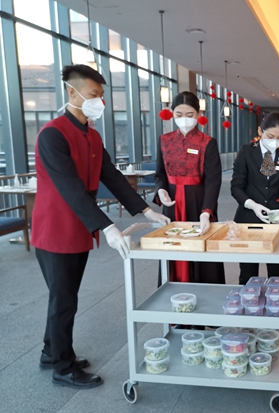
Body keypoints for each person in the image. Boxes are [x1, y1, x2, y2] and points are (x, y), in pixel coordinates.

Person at [32, 64, 170, 389]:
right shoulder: (53, 134)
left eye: (101, 95)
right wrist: (108, 227)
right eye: (93, 95)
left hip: (79, 228)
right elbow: (71, 189)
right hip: (55, 229)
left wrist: (145, 211)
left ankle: (51, 352)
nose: (100, 102)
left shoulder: (91, 134)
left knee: (65, 295)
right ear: (72, 92)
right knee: (63, 300)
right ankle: (62, 367)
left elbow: (112, 176)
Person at [154, 91, 225, 285]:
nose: (184, 119)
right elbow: (159, 174)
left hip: (198, 202)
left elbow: (213, 180)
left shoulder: (207, 142)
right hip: (172, 203)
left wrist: (207, 211)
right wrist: (161, 190)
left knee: (201, 249)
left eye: (190, 114)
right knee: (172, 245)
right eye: (179, 114)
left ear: (198, 114)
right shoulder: (164, 140)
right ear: (172, 114)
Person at [231, 112, 279, 285]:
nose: (275, 141)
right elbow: (236, 186)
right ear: (260, 131)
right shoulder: (246, 152)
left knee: (277, 273)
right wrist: (253, 205)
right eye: (270, 137)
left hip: (276, 217)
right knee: (248, 273)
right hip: (248, 218)